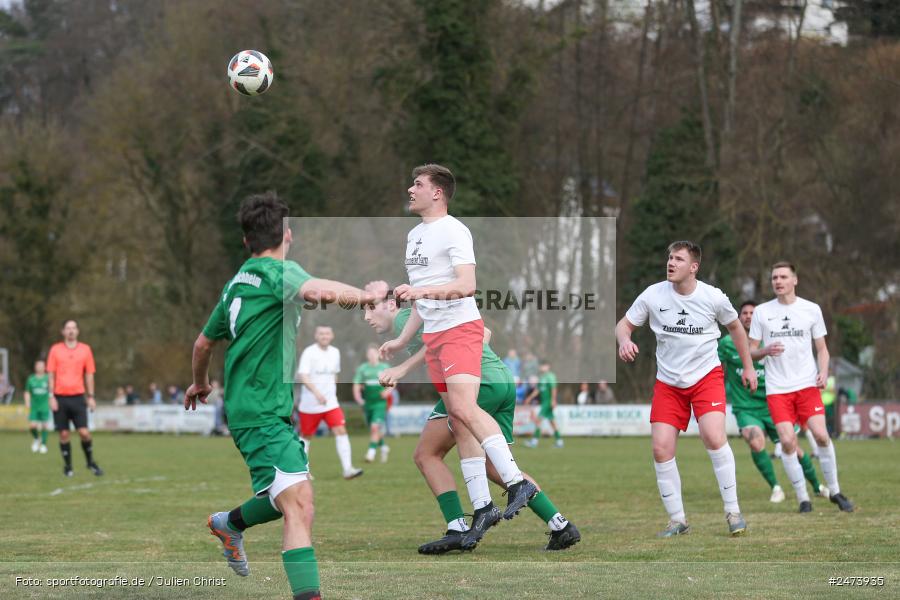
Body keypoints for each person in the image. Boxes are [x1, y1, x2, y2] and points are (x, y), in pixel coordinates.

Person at [184, 191, 378, 600]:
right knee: (300, 505)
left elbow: (203, 344)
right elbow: (316, 291)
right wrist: (367, 296)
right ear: (286, 235)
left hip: (257, 410)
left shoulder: (236, 283)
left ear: (245, 241)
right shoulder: (278, 273)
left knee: (287, 496)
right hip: (259, 411)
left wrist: (201, 383)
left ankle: (230, 523)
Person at [380, 164, 538, 548]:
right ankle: (482, 506)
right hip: (434, 337)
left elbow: (467, 285)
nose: (410, 188)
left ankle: (517, 483)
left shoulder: (454, 229)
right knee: (457, 419)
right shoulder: (415, 235)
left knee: (466, 410)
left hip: (460, 331)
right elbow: (422, 298)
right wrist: (402, 340)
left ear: (438, 193)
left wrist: (419, 295)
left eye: (417, 184)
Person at [364, 280, 579, 553]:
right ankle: (561, 525)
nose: (366, 317)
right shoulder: (425, 315)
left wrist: (402, 369)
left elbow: (431, 346)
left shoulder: (404, 318)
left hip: (478, 386)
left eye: (370, 308)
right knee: (496, 466)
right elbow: (484, 332)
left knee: (426, 454)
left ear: (392, 304)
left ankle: (458, 526)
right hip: (500, 379)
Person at [615, 241, 755, 537]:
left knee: (714, 436)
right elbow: (623, 325)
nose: (671, 263)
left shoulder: (713, 297)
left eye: (678, 259)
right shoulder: (653, 294)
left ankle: (733, 512)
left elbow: (736, 329)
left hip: (706, 377)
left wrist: (749, 366)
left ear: (694, 267)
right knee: (660, 448)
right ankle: (677, 520)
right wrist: (624, 341)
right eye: (669, 257)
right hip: (668, 383)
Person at [748, 261, 855, 512]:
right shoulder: (762, 312)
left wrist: (824, 371)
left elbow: (822, 350)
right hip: (777, 389)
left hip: (806, 385)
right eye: (774, 277)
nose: (778, 281)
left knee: (821, 436)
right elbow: (751, 351)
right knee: (787, 442)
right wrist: (764, 350)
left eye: (783, 276)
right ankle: (802, 498)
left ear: (794, 280)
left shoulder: (811, 309)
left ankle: (836, 491)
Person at [719, 300, 826, 506]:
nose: (749, 316)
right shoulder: (726, 343)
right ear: (739, 317)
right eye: (745, 313)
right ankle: (776, 487)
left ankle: (817, 486)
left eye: (752, 312)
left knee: (794, 447)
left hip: (773, 403)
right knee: (756, 442)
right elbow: (715, 366)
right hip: (746, 407)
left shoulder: (773, 338)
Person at [296, 326, 362, 480]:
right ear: (316, 336)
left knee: (341, 431)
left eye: (327, 333)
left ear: (331, 336)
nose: (324, 336)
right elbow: (303, 376)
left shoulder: (335, 352)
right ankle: (302, 472)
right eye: (321, 333)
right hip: (310, 404)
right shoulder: (309, 352)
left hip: (331, 403)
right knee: (306, 436)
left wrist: (332, 392)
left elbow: (334, 375)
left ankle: (348, 469)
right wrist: (317, 393)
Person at [47, 319, 103, 477]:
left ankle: (90, 462)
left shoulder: (85, 350)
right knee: (64, 434)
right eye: (68, 328)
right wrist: (51, 396)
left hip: (78, 398)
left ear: (78, 331)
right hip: (60, 398)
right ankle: (68, 467)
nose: (71, 331)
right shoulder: (55, 350)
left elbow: (89, 374)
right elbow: (51, 374)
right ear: (63, 331)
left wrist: (91, 396)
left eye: (73, 328)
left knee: (84, 432)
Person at [352, 344, 391, 463]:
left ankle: (371, 453)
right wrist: (358, 398)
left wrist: (387, 391)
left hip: (380, 403)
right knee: (374, 429)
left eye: (374, 353)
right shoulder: (363, 369)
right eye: (370, 354)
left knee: (375, 427)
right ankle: (384, 447)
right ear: (367, 356)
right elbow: (357, 384)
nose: (372, 356)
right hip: (367, 403)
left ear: (379, 354)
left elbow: (393, 382)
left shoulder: (385, 367)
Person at [524, 360, 562, 448]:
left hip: (548, 402)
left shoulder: (550, 376)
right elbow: (538, 390)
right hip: (544, 402)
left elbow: (553, 388)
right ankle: (559, 441)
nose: (542, 367)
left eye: (544, 365)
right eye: (541, 366)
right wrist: (529, 398)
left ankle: (534, 442)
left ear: (548, 366)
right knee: (552, 422)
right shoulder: (542, 377)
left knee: (538, 420)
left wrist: (553, 400)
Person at [24, 359, 51, 454]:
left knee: (44, 425)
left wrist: (52, 401)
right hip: (34, 406)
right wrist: (27, 402)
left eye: (41, 365)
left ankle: (43, 444)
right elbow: (27, 392)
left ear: (45, 367)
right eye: (38, 365)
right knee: (32, 426)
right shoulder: (31, 379)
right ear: (35, 367)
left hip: (45, 406)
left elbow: (52, 392)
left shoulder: (48, 378)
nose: (39, 367)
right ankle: (36, 438)